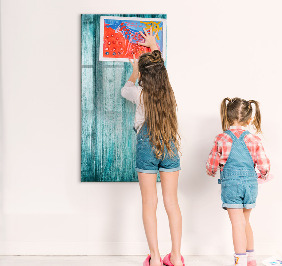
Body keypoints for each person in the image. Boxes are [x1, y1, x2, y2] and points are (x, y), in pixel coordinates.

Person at [121, 28, 184, 266]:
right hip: (169, 146)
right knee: (172, 202)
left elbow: (124, 90)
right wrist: (155, 46)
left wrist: (134, 71)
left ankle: (156, 258)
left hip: (146, 147)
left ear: (144, 77)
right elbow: (161, 69)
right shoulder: (169, 93)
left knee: (150, 203)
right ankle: (176, 257)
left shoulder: (139, 94)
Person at [206, 98, 271, 266]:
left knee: (237, 224)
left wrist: (212, 171)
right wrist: (263, 176)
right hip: (250, 185)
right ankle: (251, 260)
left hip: (231, 186)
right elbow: (264, 165)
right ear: (249, 120)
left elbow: (211, 164)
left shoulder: (221, 138)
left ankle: (240, 261)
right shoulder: (254, 139)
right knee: (245, 222)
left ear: (227, 117)